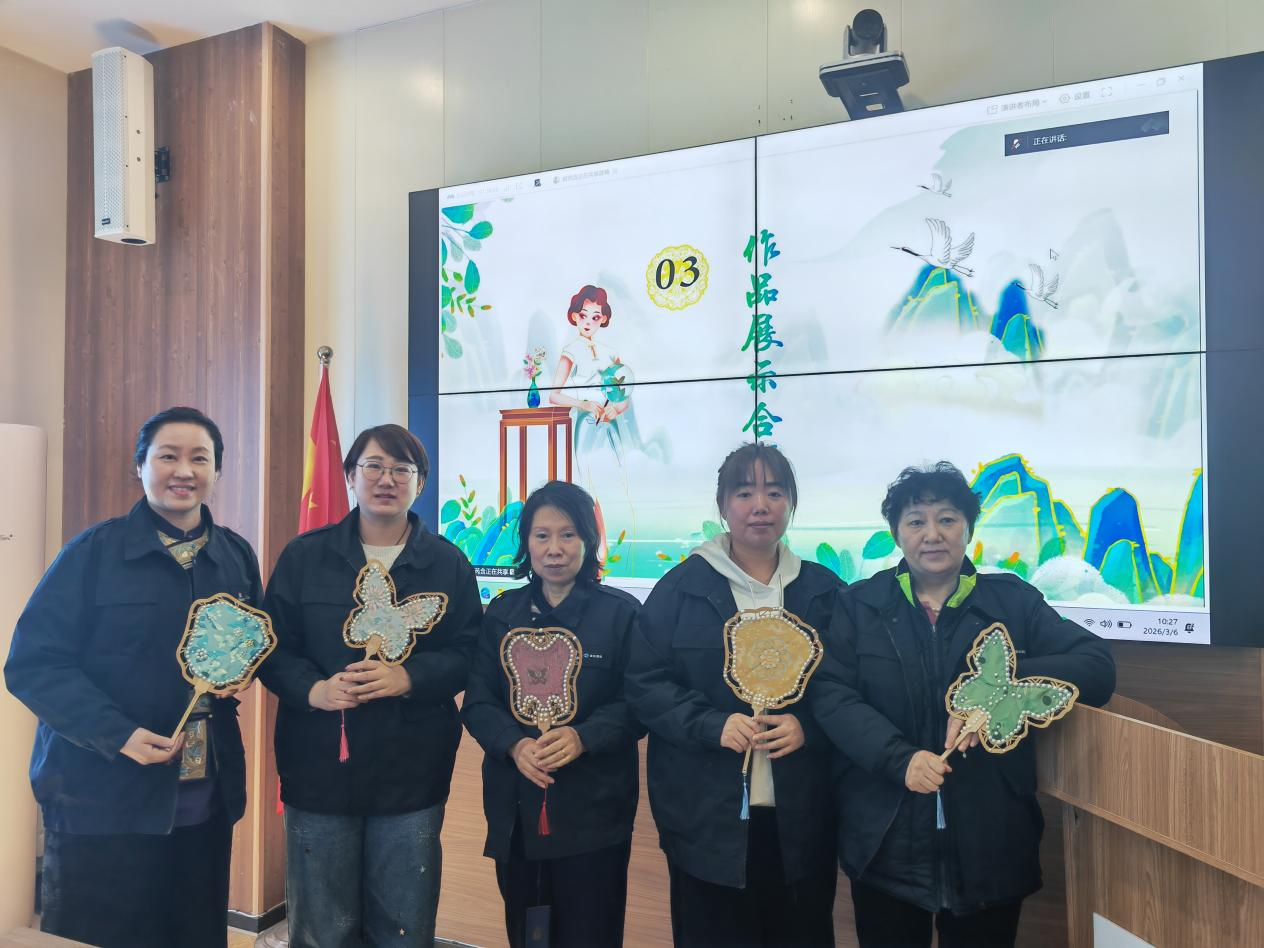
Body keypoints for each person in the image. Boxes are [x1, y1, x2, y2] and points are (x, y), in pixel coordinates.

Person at [811, 462, 1116, 948]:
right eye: (916, 521)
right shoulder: (860, 605)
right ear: (897, 532)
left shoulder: (1013, 601)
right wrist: (899, 759)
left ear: (968, 528)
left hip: (991, 845)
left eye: (948, 519)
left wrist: (993, 689)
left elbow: (1097, 668)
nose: (932, 534)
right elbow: (832, 695)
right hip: (886, 842)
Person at [4, 407, 261, 948]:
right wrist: (117, 734)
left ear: (217, 471)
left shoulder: (235, 556)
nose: (184, 471)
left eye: (200, 458)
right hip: (102, 796)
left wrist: (240, 674)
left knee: (193, 933)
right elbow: (34, 664)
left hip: (204, 799)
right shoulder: (92, 553)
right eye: (168, 456)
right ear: (140, 466)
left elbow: (249, 642)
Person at [258, 423, 481, 948]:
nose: (387, 479)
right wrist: (314, 690)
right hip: (319, 765)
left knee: (403, 925)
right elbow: (272, 647)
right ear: (349, 476)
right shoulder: (305, 556)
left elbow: (470, 653)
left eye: (402, 469)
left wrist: (410, 677)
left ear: (420, 483)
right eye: (374, 466)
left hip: (411, 771)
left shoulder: (447, 563)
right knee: (322, 928)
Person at [626, 443, 843, 947]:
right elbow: (644, 682)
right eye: (744, 493)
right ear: (723, 505)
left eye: (774, 492)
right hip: (706, 817)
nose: (760, 506)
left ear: (791, 503)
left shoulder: (825, 591)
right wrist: (710, 724)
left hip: (802, 816)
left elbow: (850, 687)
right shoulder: (681, 588)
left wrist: (809, 726)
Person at [462, 480, 643, 947]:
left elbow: (640, 703)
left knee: (591, 933)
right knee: (527, 935)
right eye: (541, 536)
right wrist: (513, 744)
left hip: (593, 814)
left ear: (588, 540)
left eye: (568, 535)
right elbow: (478, 701)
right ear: (526, 542)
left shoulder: (621, 614)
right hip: (516, 810)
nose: (554, 549)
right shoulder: (502, 614)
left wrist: (585, 737)